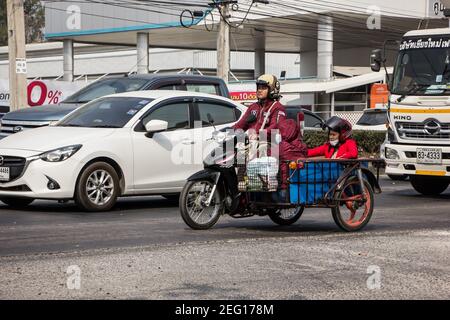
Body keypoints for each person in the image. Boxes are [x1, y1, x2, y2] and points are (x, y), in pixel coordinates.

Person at [233, 74, 286, 140]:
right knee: (229, 148)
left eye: (263, 88)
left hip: (270, 145)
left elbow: (276, 126)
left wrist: (258, 135)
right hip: (252, 144)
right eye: (259, 87)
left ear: (272, 89)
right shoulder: (253, 107)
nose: (260, 90)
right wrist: (229, 131)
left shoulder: (277, 107)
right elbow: (240, 124)